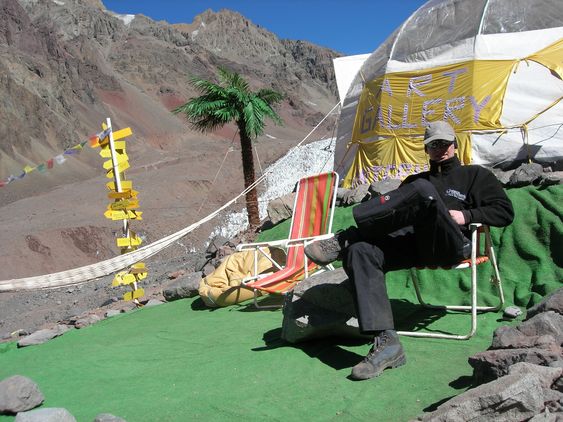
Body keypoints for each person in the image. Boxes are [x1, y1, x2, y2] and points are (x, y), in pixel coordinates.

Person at [304, 121, 514, 381]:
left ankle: (346, 237)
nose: (440, 149)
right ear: (426, 150)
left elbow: (505, 212)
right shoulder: (415, 181)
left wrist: (466, 215)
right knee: (360, 251)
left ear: (455, 144)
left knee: (423, 191)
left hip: (450, 244)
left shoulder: (475, 176)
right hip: (414, 246)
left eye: (444, 143)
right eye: (433, 145)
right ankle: (387, 342)